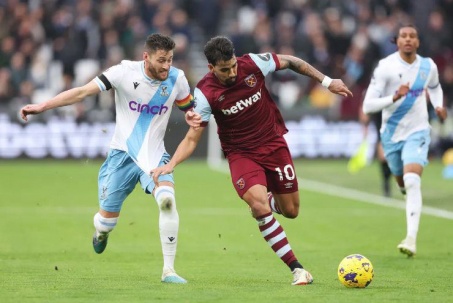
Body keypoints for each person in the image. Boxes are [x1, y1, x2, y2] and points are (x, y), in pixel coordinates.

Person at [151, 36, 353, 285]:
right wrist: (171, 164)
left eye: (234, 65)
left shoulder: (254, 64)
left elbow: (290, 61)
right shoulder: (205, 93)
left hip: (274, 145)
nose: (233, 72)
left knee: (291, 211)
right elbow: (193, 138)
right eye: (225, 70)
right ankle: (297, 269)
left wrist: (327, 81)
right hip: (241, 154)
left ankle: (266, 201)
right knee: (259, 208)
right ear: (211, 68)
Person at [19, 33, 196, 284]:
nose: (167, 66)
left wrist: (191, 116)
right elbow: (81, 92)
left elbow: (188, 108)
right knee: (105, 223)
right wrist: (42, 106)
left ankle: (169, 271)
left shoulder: (177, 79)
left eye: (170, 59)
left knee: (167, 200)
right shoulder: (123, 72)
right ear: (146, 57)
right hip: (121, 156)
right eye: (161, 60)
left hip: (156, 156)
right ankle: (101, 233)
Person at [362, 25, 447, 257]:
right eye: (404, 36)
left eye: (413, 36)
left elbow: (435, 87)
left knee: (412, 181)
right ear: (396, 41)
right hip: (391, 134)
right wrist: (394, 96)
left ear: (418, 42)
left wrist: (438, 106)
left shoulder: (428, 66)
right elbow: (368, 105)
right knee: (402, 181)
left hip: (418, 131)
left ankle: (411, 239)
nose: (408, 40)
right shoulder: (385, 67)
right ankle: (400, 185)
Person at [358, 107, 392, 197]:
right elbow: (365, 108)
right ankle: (386, 183)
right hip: (382, 127)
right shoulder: (374, 93)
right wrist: (365, 125)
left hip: (398, 125)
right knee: (383, 156)